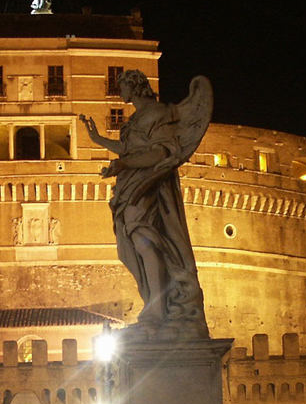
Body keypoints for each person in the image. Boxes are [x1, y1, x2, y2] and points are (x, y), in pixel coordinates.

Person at [79, 70, 213, 336]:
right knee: (133, 248)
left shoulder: (159, 113)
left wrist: (123, 164)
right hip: (130, 185)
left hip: (148, 185)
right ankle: (154, 306)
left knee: (146, 242)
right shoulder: (137, 118)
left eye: (123, 86)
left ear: (135, 87)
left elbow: (161, 152)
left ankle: (157, 310)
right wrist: (99, 141)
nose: (120, 93)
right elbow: (130, 149)